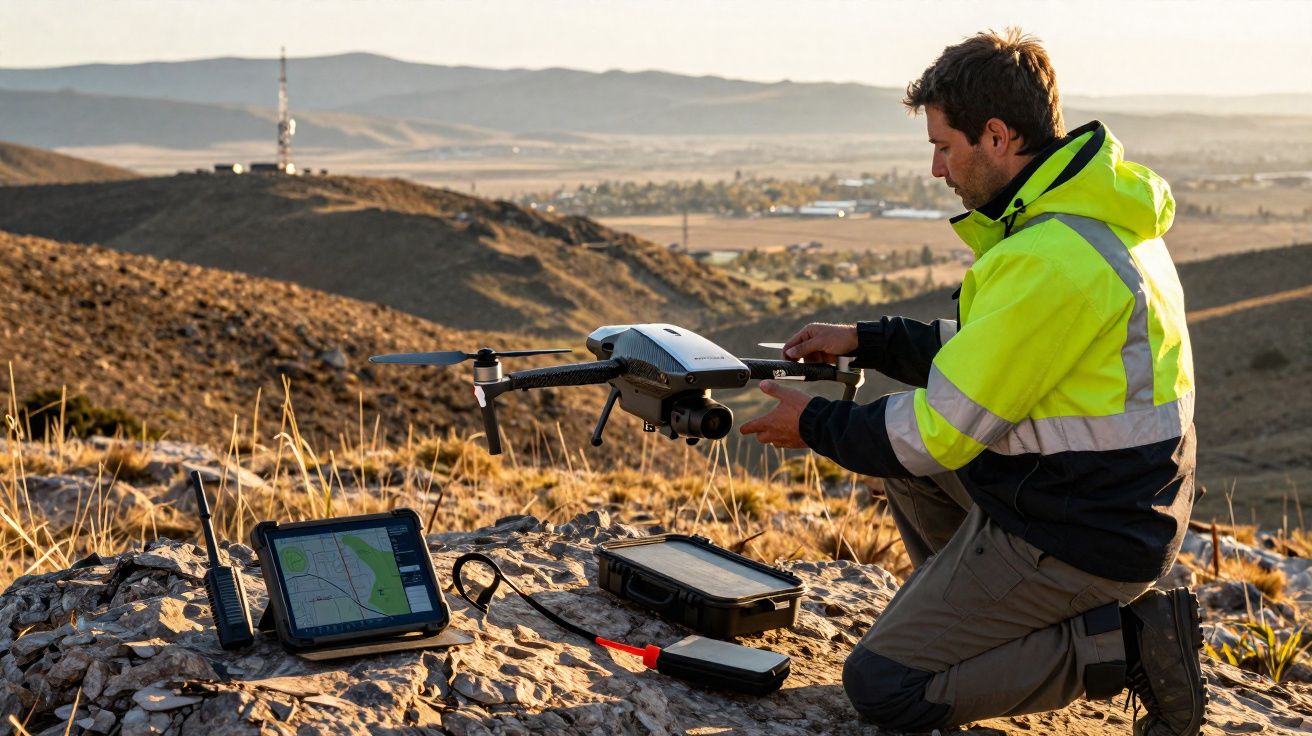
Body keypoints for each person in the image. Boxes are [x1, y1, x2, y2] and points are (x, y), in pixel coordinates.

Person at [740, 28, 1204, 736]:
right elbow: (994, 357)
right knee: (912, 476)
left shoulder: (1051, 256)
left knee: (885, 685)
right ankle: (981, 628)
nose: (936, 168)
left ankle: (1124, 641)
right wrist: (869, 340)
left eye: (944, 146)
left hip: (1086, 531)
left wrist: (812, 426)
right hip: (1102, 502)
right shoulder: (1093, 219)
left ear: (995, 136)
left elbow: (934, 431)